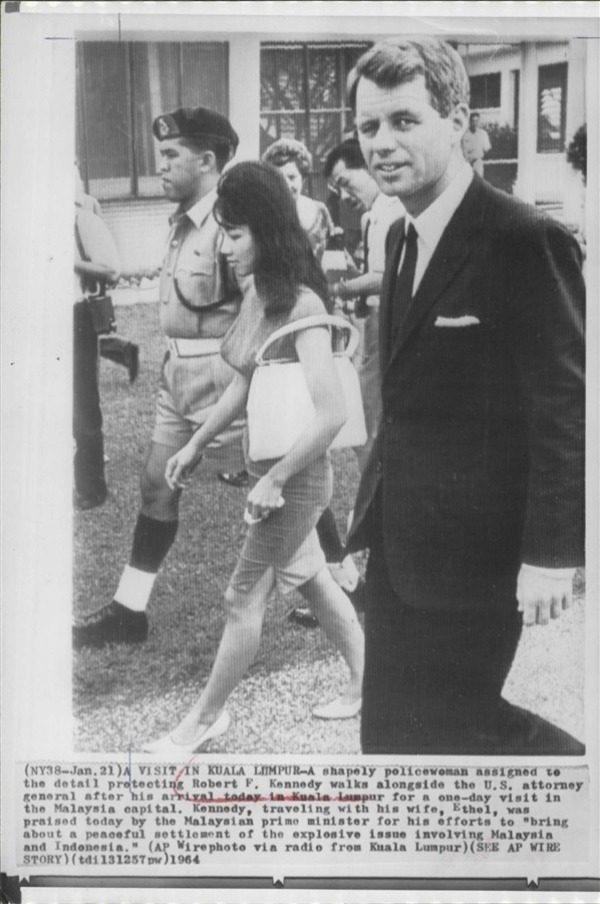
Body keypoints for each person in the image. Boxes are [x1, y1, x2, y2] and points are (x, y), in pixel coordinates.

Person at [346, 39, 585, 755]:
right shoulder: (398, 236)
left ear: (456, 120)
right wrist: (367, 527)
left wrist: (553, 552)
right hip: (400, 551)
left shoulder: (523, 237)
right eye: (368, 129)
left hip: (478, 556)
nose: (382, 145)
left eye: (404, 121)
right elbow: (407, 405)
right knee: (390, 739)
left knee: (463, 725)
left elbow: (564, 409)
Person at [143, 161, 364, 753]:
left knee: (242, 596)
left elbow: (333, 412)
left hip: (297, 478)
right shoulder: (260, 295)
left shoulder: (301, 303)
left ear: (266, 229)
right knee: (314, 580)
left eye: (235, 234)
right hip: (276, 472)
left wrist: (277, 480)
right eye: (224, 232)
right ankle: (370, 683)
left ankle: (203, 719)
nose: (226, 247)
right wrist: (192, 445)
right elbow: (243, 380)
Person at [73, 106, 246, 648]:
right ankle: (130, 611)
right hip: (178, 377)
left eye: (172, 156)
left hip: (228, 378)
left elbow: (266, 305)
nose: (161, 168)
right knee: (156, 484)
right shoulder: (183, 222)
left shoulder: (233, 225)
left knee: (278, 481)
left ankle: (345, 579)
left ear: (208, 160)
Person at [262, 137, 362, 609]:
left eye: (294, 177)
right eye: (280, 177)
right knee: (296, 458)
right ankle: (327, 572)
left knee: (304, 460)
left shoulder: (316, 216)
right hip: (282, 334)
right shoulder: (268, 221)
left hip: (306, 329)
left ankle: (336, 569)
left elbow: (322, 272)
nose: (289, 183)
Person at [324, 137, 403, 471]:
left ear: (369, 167)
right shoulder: (375, 215)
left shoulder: (391, 212)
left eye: (345, 182)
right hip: (374, 324)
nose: (343, 195)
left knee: (364, 415)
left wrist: (338, 289)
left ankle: (377, 497)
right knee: (365, 415)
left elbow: (386, 278)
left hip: (387, 323)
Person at [73, 180, 120, 510]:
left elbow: (111, 270)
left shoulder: (81, 219)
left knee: (82, 405)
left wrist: (69, 261)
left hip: (75, 317)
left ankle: (91, 488)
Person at [261, 138, 334, 261]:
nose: (286, 184)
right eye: (278, 177)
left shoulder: (320, 212)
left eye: (292, 177)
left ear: (303, 178)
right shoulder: (262, 214)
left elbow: (331, 256)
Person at [462, 111, 491, 177]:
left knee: (478, 183)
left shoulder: (483, 134)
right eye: (473, 121)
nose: (475, 123)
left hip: (477, 163)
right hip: (466, 164)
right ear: (469, 122)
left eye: (476, 121)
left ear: (479, 122)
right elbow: (461, 149)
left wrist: (478, 156)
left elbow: (487, 149)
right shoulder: (465, 134)